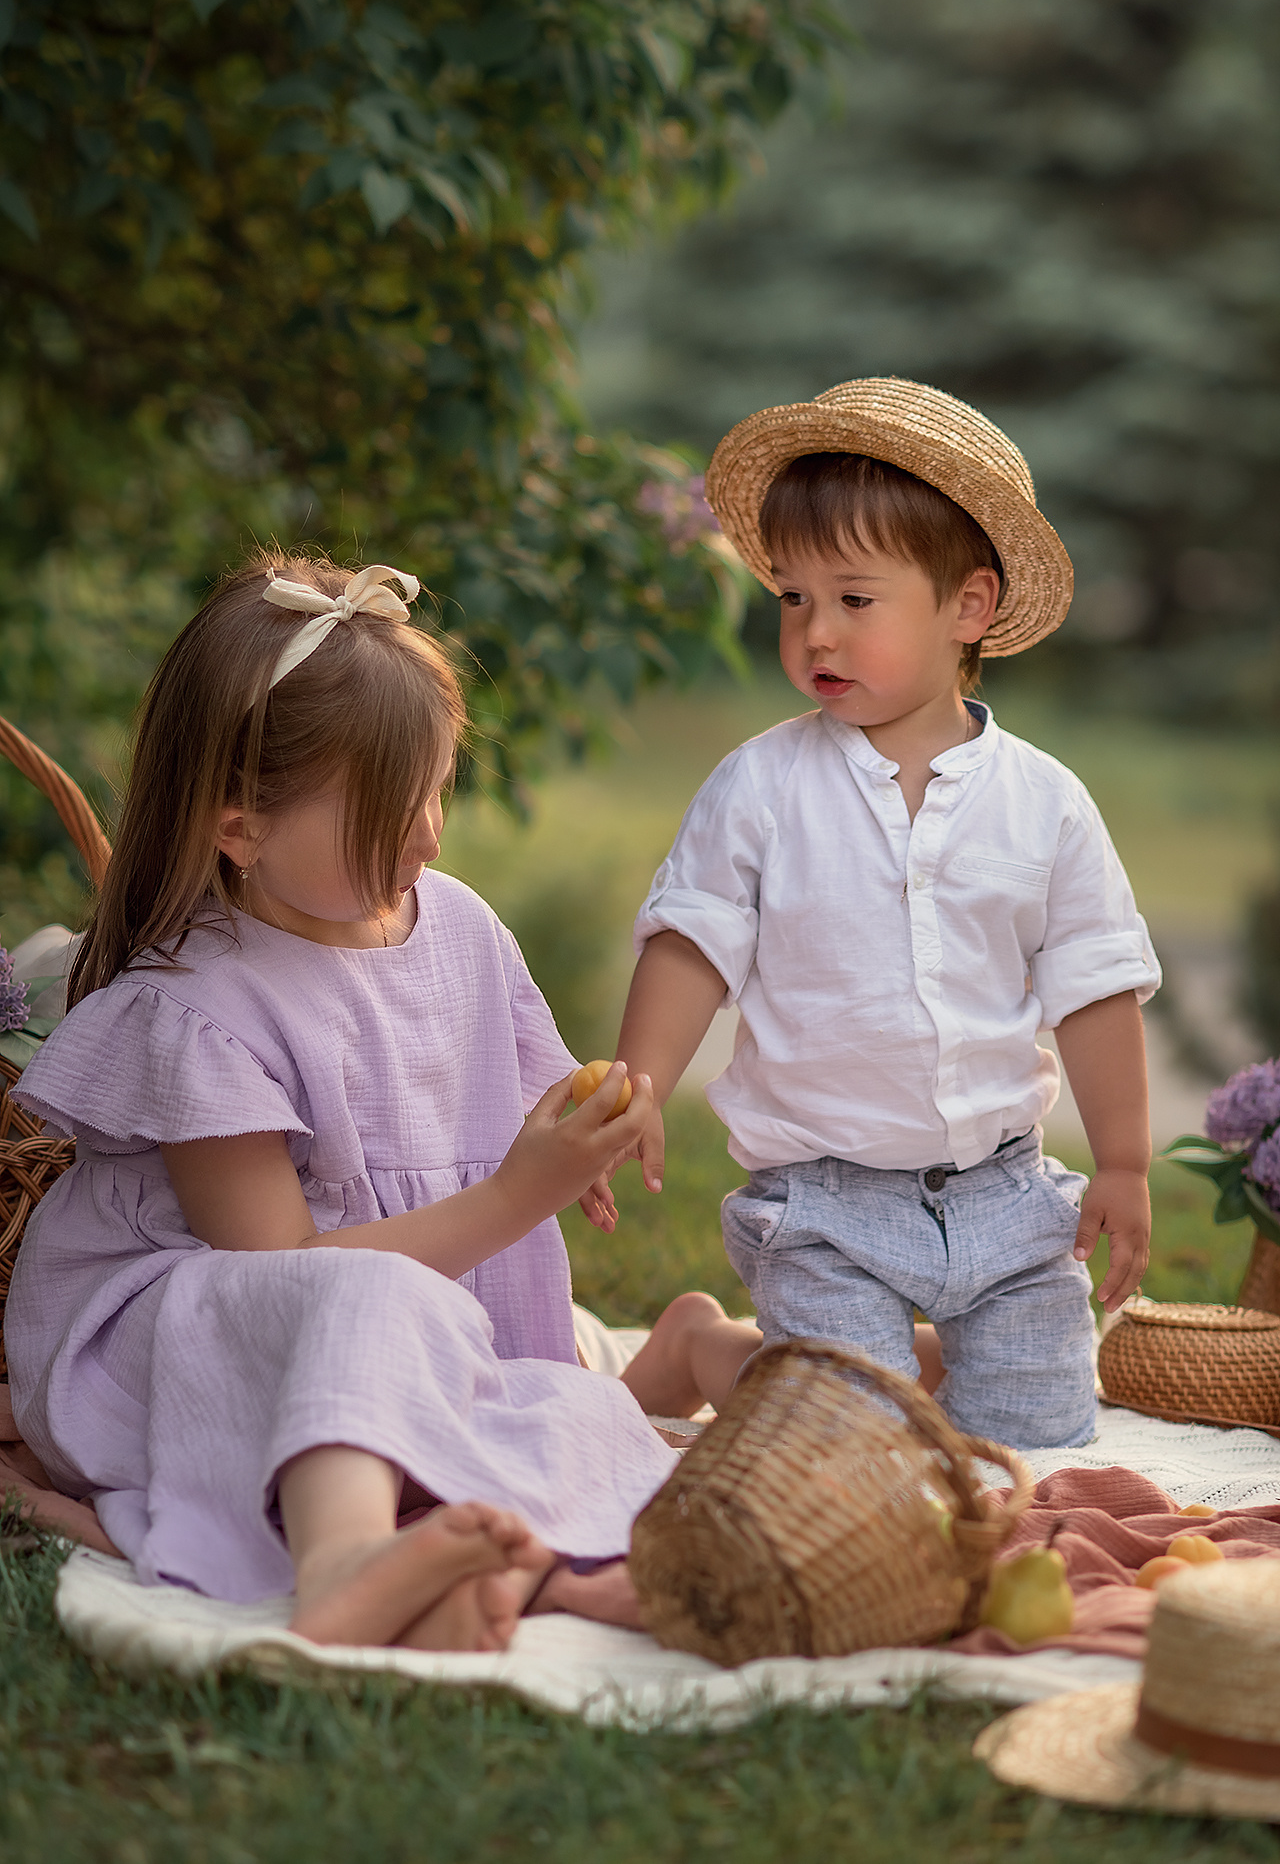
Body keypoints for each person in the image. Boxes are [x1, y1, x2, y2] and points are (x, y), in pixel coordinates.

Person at [8, 550, 680, 1653]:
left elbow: (516, 1097)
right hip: (184, 1353)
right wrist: (518, 1196)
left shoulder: (456, 925)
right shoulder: (200, 1004)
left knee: (558, 1401)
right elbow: (284, 1275)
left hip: (400, 1320)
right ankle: (342, 1569)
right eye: (385, 808)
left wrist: (583, 1129)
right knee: (374, 1303)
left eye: (434, 791)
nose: (425, 834)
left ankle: (535, 1576)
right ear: (241, 829)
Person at [615, 378, 1162, 1450]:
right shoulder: (760, 786)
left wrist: (1124, 1162)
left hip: (1004, 1197)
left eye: (852, 600)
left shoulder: (1042, 802)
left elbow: (1093, 988)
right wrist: (638, 1083)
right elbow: (691, 942)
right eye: (789, 597)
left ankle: (886, 1368)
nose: (814, 631)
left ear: (965, 607)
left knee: (1033, 1436)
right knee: (845, 1446)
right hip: (823, 1201)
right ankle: (704, 1348)